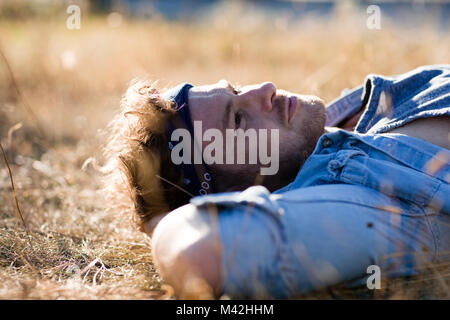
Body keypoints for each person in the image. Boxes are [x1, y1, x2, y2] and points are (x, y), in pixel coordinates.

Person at [103, 64, 450, 298]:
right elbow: (197, 253)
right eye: (238, 119)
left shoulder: (363, 106)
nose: (264, 89)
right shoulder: (362, 204)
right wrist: (165, 220)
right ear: (238, 194)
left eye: (236, 90)